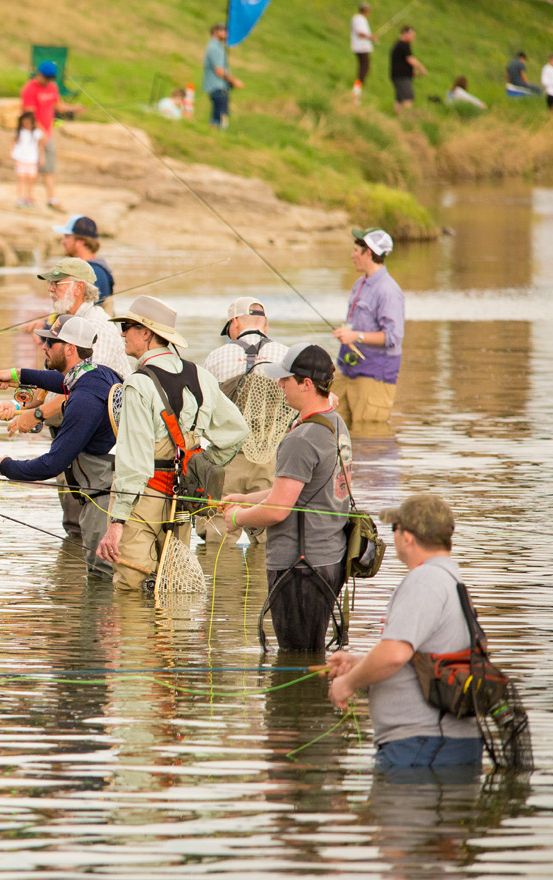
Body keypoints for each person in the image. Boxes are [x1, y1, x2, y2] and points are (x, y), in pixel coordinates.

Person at [95, 295, 247, 590]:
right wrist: (202, 465)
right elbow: (236, 432)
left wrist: (116, 523)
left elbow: (134, 462)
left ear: (147, 333)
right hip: (182, 501)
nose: (123, 333)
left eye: (127, 326)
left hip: (143, 499)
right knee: (171, 583)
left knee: (131, 585)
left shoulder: (137, 384)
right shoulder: (201, 376)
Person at [326, 494, 483, 772]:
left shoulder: (423, 581)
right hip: (440, 745)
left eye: (394, 528)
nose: (393, 535)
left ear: (407, 537)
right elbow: (423, 658)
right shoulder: (450, 578)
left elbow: (394, 656)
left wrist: (348, 683)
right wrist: (361, 663)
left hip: (422, 747)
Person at [221, 344, 351, 653]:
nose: (279, 384)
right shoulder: (334, 423)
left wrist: (237, 518)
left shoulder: (301, 439)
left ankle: (300, 702)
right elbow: (295, 489)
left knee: (296, 659)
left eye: (286, 379)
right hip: (330, 558)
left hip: (301, 568)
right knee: (310, 653)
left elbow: (279, 509)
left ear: (306, 384)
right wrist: (245, 498)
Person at [0, 258, 129, 539]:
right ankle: (71, 578)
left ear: (79, 287)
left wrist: (35, 416)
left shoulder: (97, 329)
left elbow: (86, 390)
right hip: (72, 441)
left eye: (57, 283)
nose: (50, 289)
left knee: (87, 532)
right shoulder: (66, 325)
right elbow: (62, 381)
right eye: (49, 284)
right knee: (74, 527)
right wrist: (19, 401)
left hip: (99, 451)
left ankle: (79, 579)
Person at [0, 314, 119, 575]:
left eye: (50, 343)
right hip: (107, 493)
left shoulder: (84, 401)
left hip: (102, 502)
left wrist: (6, 466)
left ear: (69, 348)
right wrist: (13, 374)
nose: (43, 346)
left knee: (102, 576)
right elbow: (55, 381)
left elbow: (52, 464)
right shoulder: (99, 375)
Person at [200, 297, 289, 546]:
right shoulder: (287, 357)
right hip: (272, 459)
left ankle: (225, 582)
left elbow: (203, 410)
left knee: (217, 538)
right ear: (266, 325)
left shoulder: (216, 357)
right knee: (268, 542)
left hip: (227, 459)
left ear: (235, 324)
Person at [331, 227, 405, 427]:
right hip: (347, 371)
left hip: (374, 377)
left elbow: (393, 337)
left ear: (368, 253)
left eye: (356, 250)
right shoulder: (360, 283)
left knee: (368, 440)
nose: (352, 255)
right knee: (332, 428)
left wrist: (355, 336)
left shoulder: (389, 291)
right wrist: (348, 334)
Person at [20, 61, 83, 211]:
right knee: (31, 167)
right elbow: (29, 114)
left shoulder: (52, 87)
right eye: (46, 78)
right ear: (39, 74)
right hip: (32, 135)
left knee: (49, 167)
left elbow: (57, 106)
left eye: (51, 78)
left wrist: (73, 109)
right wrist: (40, 132)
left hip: (48, 134)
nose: (49, 81)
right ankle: (28, 197)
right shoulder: (29, 89)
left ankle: (52, 199)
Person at [52, 215, 115, 306]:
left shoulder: (94, 272)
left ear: (80, 242)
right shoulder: (94, 268)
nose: (62, 241)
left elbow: (81, 311)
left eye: (67, 237)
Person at [202, 22, 244, 130]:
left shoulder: (217, 47)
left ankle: (216, 134)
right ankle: (214, 134)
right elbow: (219, 70)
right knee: (219, 114)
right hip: (217, 86)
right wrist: (233, 81)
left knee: (220, 113)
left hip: (220, 86)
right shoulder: (214, 48)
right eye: (224, 31)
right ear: (216, 32)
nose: (226, 34)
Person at [389, 26, 426, 113]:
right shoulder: (404, 45)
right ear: (405, 33)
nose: (413, 38)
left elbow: (401, 61)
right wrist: (421, 68)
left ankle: (398, 117)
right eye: (412, 35)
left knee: (399, 99)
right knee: (408, 98)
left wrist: (411, 71)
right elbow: (410, 59)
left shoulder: (397, 44)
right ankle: (407, 118)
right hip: (402, 77)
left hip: (397, 75)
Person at [12, 111, 44, 208]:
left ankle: (29, 198)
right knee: (21, 179)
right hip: (21, 159)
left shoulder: (36, 133)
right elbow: (14, 142)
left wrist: (41, 157)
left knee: (31, 180)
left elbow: (40, 145)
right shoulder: (19, 132)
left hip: (32, 159)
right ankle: (21, 198)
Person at [350, 3, 377, 103]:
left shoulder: (358, 18)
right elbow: (360, 33)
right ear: (366, 10)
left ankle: (357, 91)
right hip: (362, 48)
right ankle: (356, 92)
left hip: (360, 47)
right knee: (364, 70)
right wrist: (371, 37)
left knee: (364, 69)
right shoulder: (360, 19)